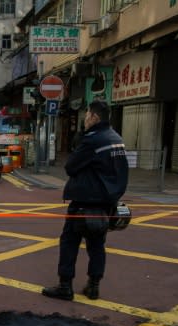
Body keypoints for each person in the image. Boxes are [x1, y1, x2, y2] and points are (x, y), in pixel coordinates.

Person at [42, 100, 129, 301]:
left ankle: (65, 286)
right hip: (106, 202)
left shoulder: (92, 140)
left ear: (95, 118)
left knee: (69, 242)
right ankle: (93, 285)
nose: (85, 119)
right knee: (97, 244)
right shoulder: (117, 138)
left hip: (85, 201)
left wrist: (81, 138)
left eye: (87, 115)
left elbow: (71, 166)